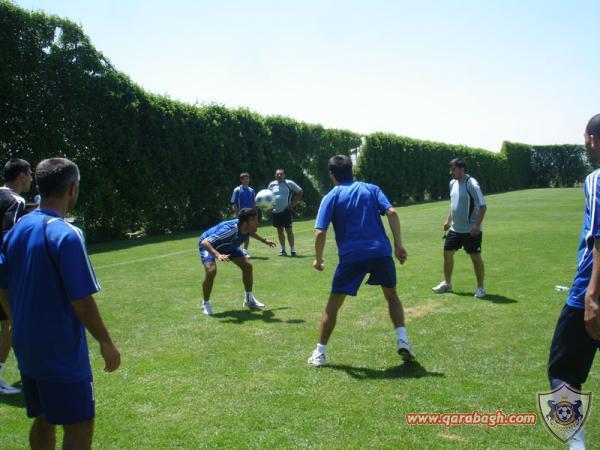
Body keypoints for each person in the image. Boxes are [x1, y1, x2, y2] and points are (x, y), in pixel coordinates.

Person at [0, 158, 120, 449]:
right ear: (72, 188)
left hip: (27, 346)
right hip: (60, 351)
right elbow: (82, 302)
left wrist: (16, 319)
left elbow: (2, 286)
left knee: (43, 417)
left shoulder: (17, 228)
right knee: (80, 424)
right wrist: (106, 342)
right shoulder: (66, 234)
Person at [308, 155, 415, 367]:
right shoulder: (371, 189)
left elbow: (320, 232)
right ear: (352, 170)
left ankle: (319, 354)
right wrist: (398, 245)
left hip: (352, 256)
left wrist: (318, 260)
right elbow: (391, 212)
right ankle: (402, 340)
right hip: (380, 252)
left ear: (332, 175)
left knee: (333, 304)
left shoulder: (331, 196)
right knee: (391, 296)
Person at [547, 114, 600, 450]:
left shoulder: (596, 179)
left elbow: (599, 237)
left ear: (591, 138)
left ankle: (576, 445)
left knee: (562, 371)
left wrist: (592, 295)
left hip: (589, 293)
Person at [199, 207, 276, 316]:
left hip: (229, 245)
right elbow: (205, 243)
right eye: (254, 220)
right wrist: (217, 255)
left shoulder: (246, 227)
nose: (258, 223)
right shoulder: (229, 231)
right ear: (245, 223)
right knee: (211, 271)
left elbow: (250, 232)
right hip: (210, 245)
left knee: (247, 266)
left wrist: (264, 240)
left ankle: (249, 299)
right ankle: (206, 303)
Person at [432, 158, 487, 298]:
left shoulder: (472, 184)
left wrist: (477, 225)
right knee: (447, 253)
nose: (451, 172)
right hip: (455, 229)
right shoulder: (452, 183)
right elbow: (453, 204)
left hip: (471, 230)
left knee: (475, 257)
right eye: (450, 169)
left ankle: (481, 288)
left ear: (462, 169)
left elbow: (483, 206)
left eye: (453, 169)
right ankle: (447, 283)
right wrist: (448, 220)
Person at [0, 158, 32, 395]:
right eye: (29, 174)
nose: (31, 179)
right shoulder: (16, 200)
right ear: (21, 176)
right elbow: (9, 235)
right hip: (3, 271)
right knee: (12, 323)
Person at [267, 169, 303, 256]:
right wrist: (269, 207)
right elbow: (268, 196)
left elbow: (300, 192)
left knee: (289, 230)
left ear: (284, 175)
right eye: (277, 174)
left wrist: (293, 204)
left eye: (281, 174)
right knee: (280, 231)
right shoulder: (271, 185)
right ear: (275, 176)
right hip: (276, 212)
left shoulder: (289, 183)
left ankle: (292, 250)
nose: (279, 175)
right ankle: (283, 250)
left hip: (286, 211)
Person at [230, 172, 256, 256]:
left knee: (247, 233)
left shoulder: (251, 190)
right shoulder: (237, 190)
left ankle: (245, 251)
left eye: (248, 179)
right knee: (237, 234)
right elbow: (233, 203)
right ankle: (234, 250)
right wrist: (237, 214)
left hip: (249, 216)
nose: (247, 180)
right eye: (245, 179)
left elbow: (254, 203)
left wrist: (254, 215)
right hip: (240, 216)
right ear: (241, 180)